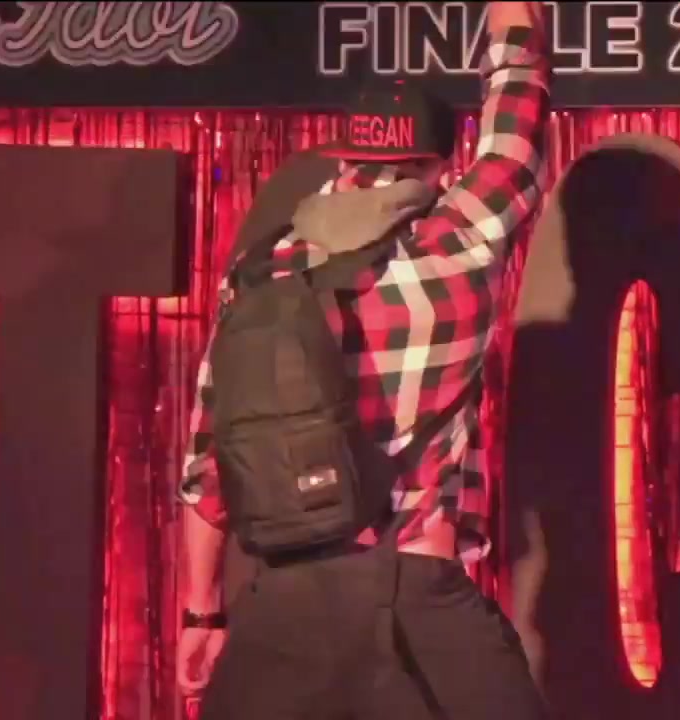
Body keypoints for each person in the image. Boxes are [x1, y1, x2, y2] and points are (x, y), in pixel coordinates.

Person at [175, 2, 552, 718]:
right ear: (438, 169)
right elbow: (518, 105)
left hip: (281, 612)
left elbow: (208, 468)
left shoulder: (260, 273)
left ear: (343, 160)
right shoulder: (454, 246)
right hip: (417, 604)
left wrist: (202, 613)